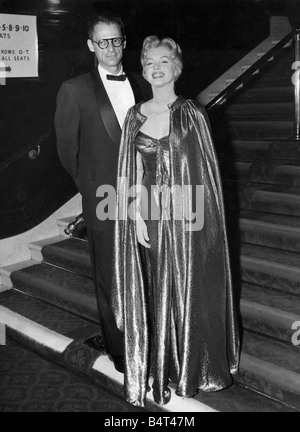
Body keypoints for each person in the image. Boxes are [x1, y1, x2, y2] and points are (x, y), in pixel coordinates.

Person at [111, 36, 240, 407]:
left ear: (176, 67)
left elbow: (207, 176)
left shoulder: (192, 113)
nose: (156, 67)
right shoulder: (134, 115)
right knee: (158, 286)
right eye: (149, 61)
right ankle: (165, 364)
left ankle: (195, 367)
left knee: (190, 286)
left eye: (164, 61)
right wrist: (134, 214)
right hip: (150, 211)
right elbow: (131, 169)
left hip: (188, 212)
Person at [54, 11, 151, 374]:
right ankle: (123, 352)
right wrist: (92, 190)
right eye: (103, 41)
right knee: (111, 278)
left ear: (124, 43)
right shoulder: (74, 89)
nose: (111, 48)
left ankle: (150, 339)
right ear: (91, 45)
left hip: (146, 197)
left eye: (117, 40)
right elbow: (68, 153)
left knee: (146, 271)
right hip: (103, 198)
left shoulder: (142, 83)